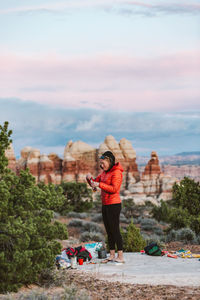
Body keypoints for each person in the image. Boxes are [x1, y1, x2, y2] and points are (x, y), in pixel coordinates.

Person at [86, 151, 125, 263]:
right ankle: (112, 255)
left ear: (109, 161)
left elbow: (114, 189)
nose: (101, 165)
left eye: (103, 163)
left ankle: (120, 256)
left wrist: (99, 185)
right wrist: (89, 179)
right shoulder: (104, 173)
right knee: (109, 230)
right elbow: (94, 185)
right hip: (105, 204)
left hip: (114, 204)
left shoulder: (116, 172)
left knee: (115, 230)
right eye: (101, 163)